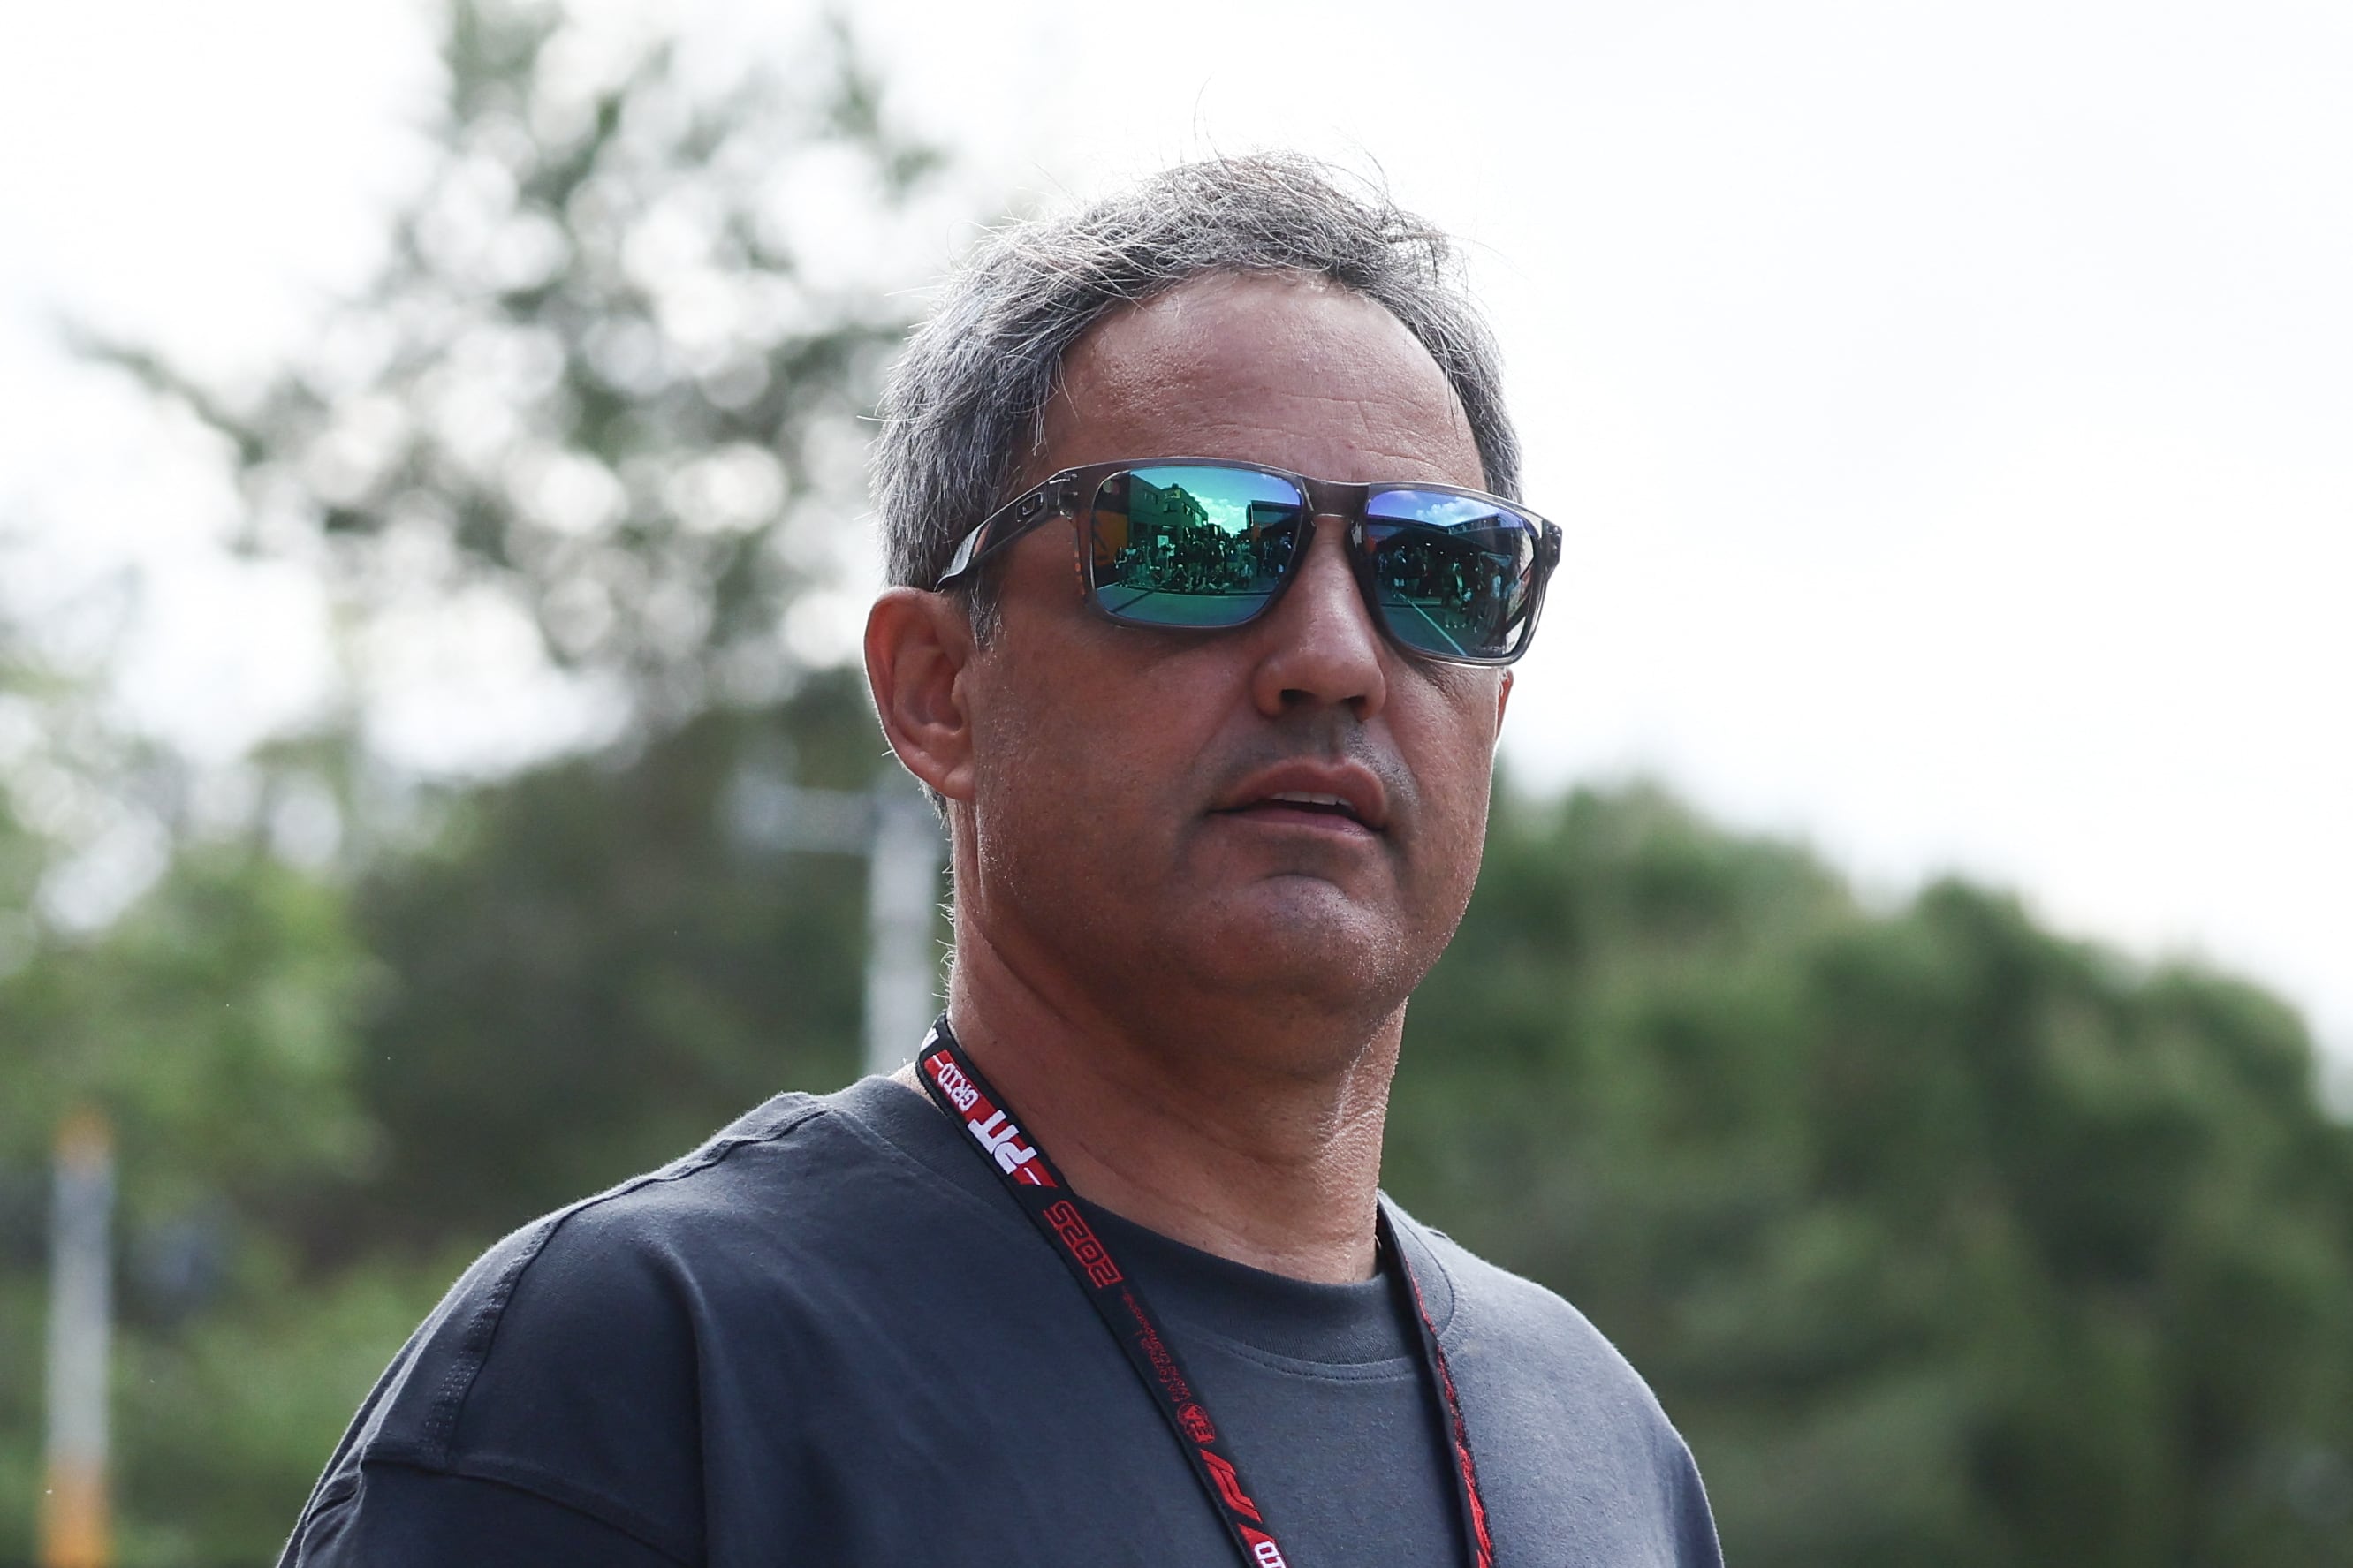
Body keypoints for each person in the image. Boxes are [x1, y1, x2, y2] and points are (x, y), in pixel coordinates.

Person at [277, 155, 1723, 1568]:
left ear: (1495, 708)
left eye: (1436, 570)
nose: (1336, 656)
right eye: (1197, 541)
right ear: (936, 687)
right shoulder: (651, 1374)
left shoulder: (1599, 1450)